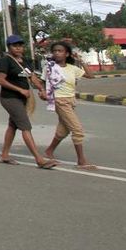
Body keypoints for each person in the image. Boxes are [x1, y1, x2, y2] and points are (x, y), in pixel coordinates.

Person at [0, 35, 55, 168]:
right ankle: (39, 159)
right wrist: (20, 90)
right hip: (10, 98)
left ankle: (4, 155)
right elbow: (1, 80)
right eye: (14, 46)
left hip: (23, 98)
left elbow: (32, 77)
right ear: (9, 47)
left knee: (13, 126)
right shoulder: (5, 61)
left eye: (20, 45)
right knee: (25, 126)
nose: (18, 48)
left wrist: (41, 89)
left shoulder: (26, 61)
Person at [42, 41, 97, 170]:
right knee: (77, 130)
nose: (57, 53)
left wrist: (80, 60)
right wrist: (42, 91)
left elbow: (90, 76)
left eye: (60, 51)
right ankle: (81, 161)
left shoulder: (72, 68)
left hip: (70, 100)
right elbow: (41, 82)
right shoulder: (50, 67)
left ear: (67, 54)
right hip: (59, 100)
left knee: (64, 130)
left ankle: (49, 151)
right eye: (55, 51)